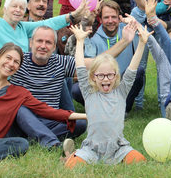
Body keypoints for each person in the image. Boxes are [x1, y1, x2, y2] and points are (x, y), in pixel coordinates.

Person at [0, 18, 135, 149]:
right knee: (20, 107)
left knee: (79, 125)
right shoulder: (16, 62)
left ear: (54, 47)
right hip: (20, 119)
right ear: (31, 43)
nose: (43, 45)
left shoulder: (60, 62)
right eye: (39, 41)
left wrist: (126, 41)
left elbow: (97, 61)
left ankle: (35, 138)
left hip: (49, 118)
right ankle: (50, 143)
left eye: (48, 42)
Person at [0, 38, 85, 172]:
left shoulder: (19, 93)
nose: (11, 64)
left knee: (20, 144)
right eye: (8, 58)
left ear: (18, 68)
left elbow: (47, 111)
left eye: (16, 62)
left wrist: (86, 115)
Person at [62, 22, 148, 168]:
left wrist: (141, 43)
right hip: (92, 148)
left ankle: (111, 158)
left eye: (110, 75)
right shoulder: (89, 93)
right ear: (94, 77)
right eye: (101, 75)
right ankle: (70, 155)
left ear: (116, 76)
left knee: (139, 161)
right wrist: (80, 40)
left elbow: (132, 70)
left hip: (118, 147)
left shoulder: (121, 92)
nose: (106, 79)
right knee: (71, 167)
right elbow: (81, 66)